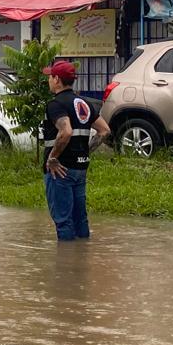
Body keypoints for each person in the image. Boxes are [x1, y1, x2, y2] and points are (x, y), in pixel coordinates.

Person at [42, 60, 111, 241]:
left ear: (57, 79)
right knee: (80, 219)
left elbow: (65, 131)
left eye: (50, 77)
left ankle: (66, 265)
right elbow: (104, 131)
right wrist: (84, 152)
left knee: (63, 221)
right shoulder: (85, 103)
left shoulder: (55, 104)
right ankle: (80, 259)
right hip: (80, 168)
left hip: (60, 170)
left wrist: (52, 158)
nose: (49, 80)